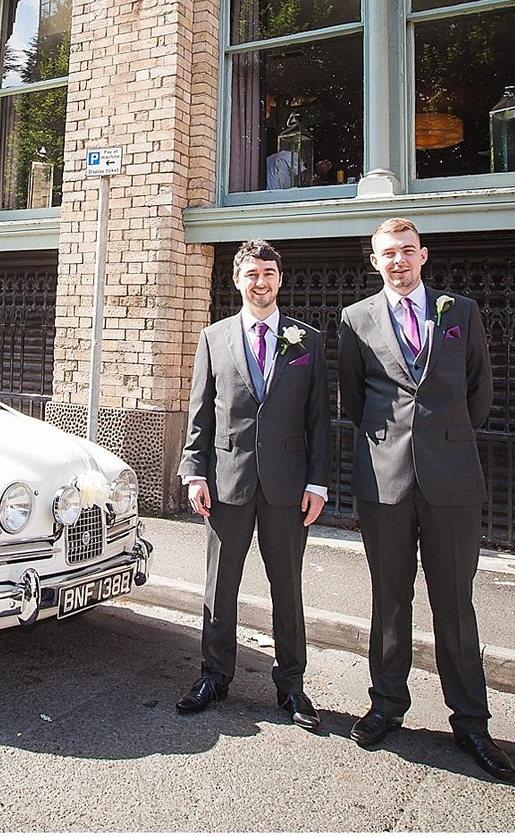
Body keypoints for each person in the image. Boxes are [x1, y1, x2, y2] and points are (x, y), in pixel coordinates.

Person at [337, 217, 515, 780]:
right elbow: (352, 398)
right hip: (384, 482)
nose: (398, 261)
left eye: (407, 251)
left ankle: (471, 724)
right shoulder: (355, 320)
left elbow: (479, 390)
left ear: (423, 255)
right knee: (389, 600)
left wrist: (446, 436)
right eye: (387, 253)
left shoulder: (459, 312)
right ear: (374, 261)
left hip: (453, 482)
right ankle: (387, 706)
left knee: (455, 605)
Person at [176, 239, 330, 730]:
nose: (260, 282)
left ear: (279, 280)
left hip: (288, 489)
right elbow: (201, 413)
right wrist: (194, 472)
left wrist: (319, 484)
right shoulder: (212, 338)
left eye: (268, 273)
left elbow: (319, 421)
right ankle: (214, 676)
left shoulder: (308, 341)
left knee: (287, 588)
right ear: (237, 280)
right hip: (227, 483)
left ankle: (291, 686)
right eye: (251, 274)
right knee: (220, 586)